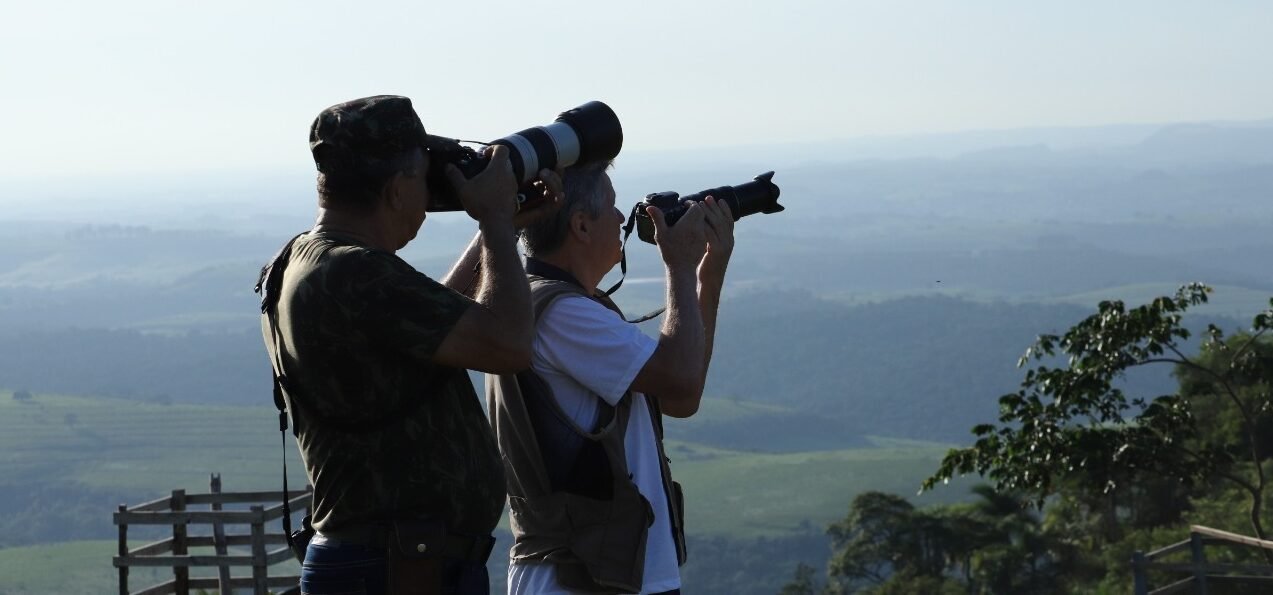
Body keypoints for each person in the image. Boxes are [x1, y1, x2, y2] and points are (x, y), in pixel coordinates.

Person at [257, 94, 559, 595]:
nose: (430, 194)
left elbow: (430, 319)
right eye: (423, 178)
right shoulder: (353, 272)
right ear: (397, 190)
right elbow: (509, 345)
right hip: (394, 569)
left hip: (391, 562)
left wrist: (499, 232)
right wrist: (496, 224)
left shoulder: (308, 261)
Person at [487, 160, 735, 594]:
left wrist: (706, 277)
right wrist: (678, 267)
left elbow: (680, 398)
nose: (624, 220)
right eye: (614, 207)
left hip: (609, 569)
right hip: (579, 575)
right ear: (581, 226)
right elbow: (680, 379)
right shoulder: (562, 314)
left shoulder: (565, 304)